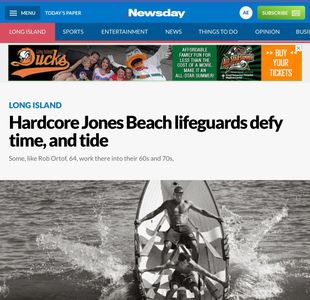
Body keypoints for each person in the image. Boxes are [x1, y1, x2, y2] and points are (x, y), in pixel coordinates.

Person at [135, 186, 223, 263]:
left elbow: (202, 211)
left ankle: (194, 265)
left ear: (182, 194)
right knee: (166, 246)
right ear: (174, 194)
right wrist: (141, 220)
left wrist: (216, 217)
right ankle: (163, 266)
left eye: (180, 194)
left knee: (195, 245)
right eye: (177, 194)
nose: (179, 196)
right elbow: (155, 212)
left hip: (185, 229)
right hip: (174, 229)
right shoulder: (168, 204)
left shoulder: (187, 203)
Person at [140, 252, 227, 300]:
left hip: (189, 276)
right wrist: (145, 270)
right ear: (180, 262)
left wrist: (222, 282)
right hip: (177, 276)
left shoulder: (192, 266)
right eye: (186, 262)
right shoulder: (173, 264)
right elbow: (159, 267)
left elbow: (207, 273)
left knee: (196, 290)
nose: (188, 263)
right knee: (174, 288)